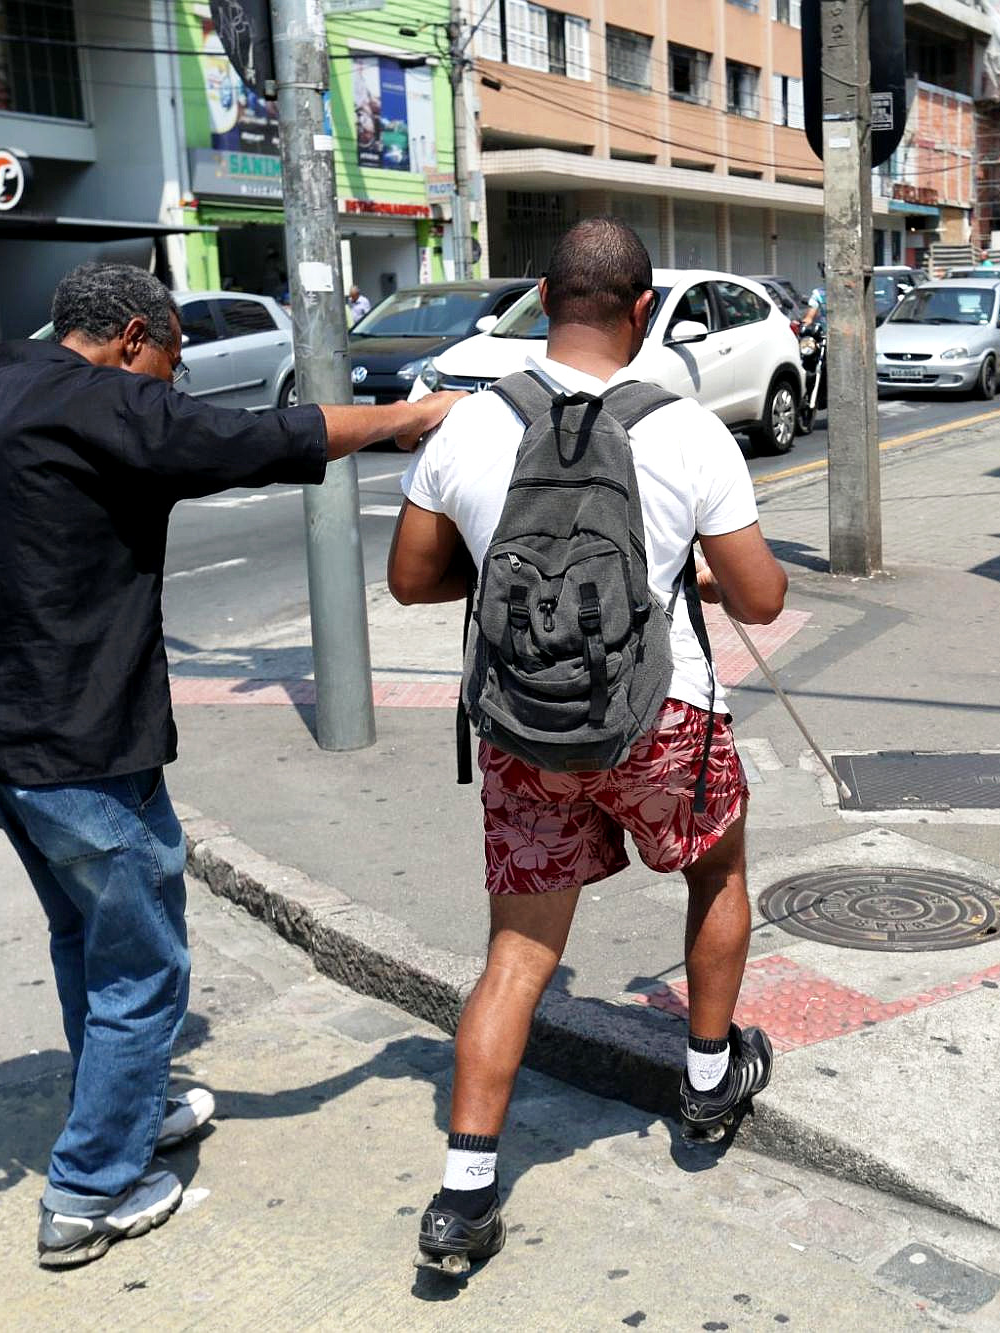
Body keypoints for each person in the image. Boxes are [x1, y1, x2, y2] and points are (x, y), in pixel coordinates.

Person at [0, 262, 460, 1268]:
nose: (172, 388)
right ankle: (91, 1188)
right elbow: (252, 439)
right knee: (144, 965)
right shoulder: (95, 403)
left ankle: (127, 1111)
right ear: (135, 338)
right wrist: (408, 420)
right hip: (77, 749)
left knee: (85, 942)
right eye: (172, 366)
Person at [390, 217, 788, 1270]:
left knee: (517, 953)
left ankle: (463, 1198)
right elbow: (761, 594)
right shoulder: (686, 428)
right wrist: (682, 570)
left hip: (524, 727)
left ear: (542, 299)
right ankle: (707, 1085)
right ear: (642, 309)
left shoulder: (471, 424)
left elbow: (411, 577)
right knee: (716, 873)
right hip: (663, 721)